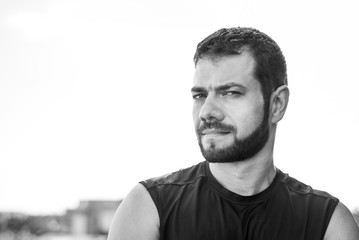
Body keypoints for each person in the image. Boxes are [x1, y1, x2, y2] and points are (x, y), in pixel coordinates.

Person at [107, 27, 359, 240]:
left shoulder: (329, 224)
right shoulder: (148, 208)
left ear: (277, 104)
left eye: (231, 93)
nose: (207, 111)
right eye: (200, 95)